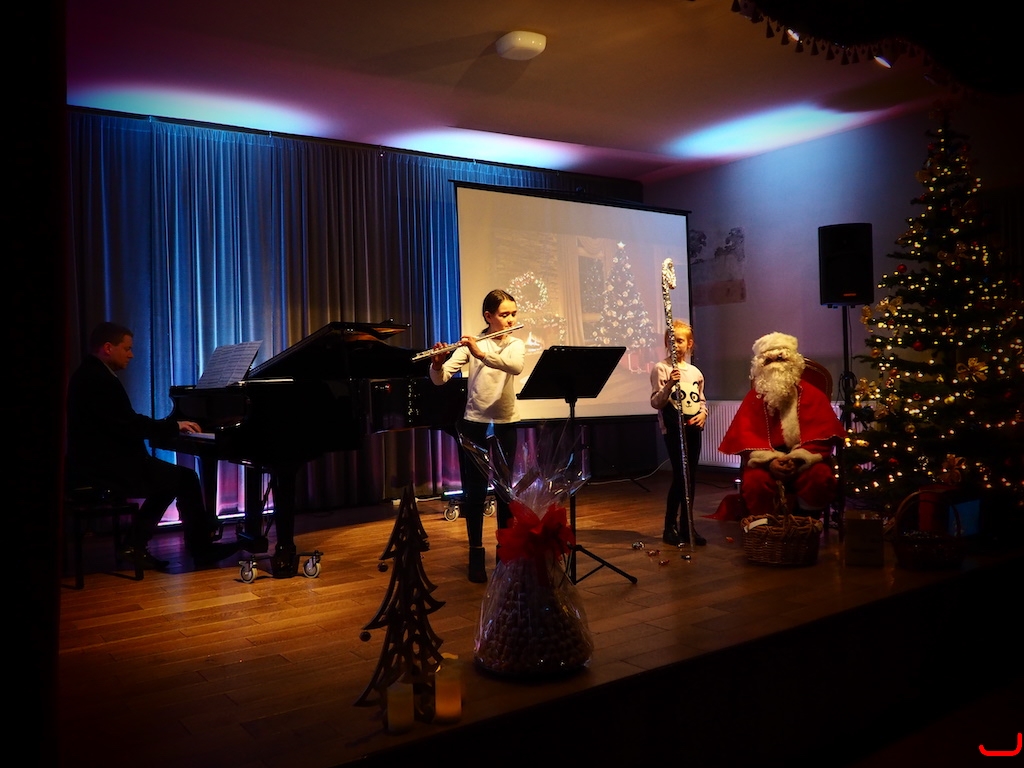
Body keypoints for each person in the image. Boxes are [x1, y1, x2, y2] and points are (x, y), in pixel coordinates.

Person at [65, 322, 232, 568]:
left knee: (172, 480)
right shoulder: (97, 379)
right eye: (127, 348)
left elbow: (125, 422)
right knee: (185, 479)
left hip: (99, 461)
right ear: (108, 348)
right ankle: (199, 548)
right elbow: (128, 424)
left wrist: (166, 427)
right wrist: (173, 426)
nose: (131, 355)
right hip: (104, 466)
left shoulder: (90, 374)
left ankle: (135, 544)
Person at [429, 290, 524, 583]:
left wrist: (482, 354)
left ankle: (505, 555)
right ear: (488, 316)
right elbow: (440, 379)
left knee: (505, 491)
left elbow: (515, 366)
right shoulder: (471, 344)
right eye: (504, 314)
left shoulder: (515, 344)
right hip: (474, 424)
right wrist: (437, 363)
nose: (511, 320)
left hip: (506, 423)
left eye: (513, 314)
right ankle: (475, 554)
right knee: (475, 491)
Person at [718, 332, 844, 518]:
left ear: (793, 362)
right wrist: (770, 461)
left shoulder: (813, 395)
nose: (775, 365)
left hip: (805, 458)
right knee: (755, 482)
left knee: (818, 476)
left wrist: (797, 459)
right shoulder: (754, 399)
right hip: (766, 461)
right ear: (760, 366)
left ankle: (806, 523)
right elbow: (744, 437)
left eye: (781, 359)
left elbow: (825, 436)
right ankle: (767, 527)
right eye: (769, 361)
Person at [651, 320, 708, 546]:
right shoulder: (662, 368)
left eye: (680, 341)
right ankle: (669, 526)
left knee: (690, 476)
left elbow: (700, 400)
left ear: (689, 344)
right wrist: (668, 386)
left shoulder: (695, 372)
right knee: (680, 475)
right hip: (674, 428)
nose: (675, 345)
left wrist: (703, 414)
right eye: (671, 341)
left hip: (693, 428)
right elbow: (656, 402)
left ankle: (687, 525)